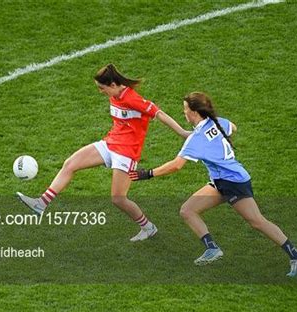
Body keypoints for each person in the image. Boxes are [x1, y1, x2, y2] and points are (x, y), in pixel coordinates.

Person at [129, 91, 297, 277]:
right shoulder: (218, 122)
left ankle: (296, 255)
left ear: (195, 112)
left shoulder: (197, 139)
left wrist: (147, 174)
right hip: (220, 181)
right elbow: (233, 127)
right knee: (188, 210)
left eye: (185, 110)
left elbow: (176, 166)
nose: (184, 113)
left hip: (233, 183)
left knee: (257, 221)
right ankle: (212, 249)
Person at [17, 64, 190, 241]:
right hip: (110, 143)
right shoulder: (115, 94)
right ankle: (41, 204)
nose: (101, 92)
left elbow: (159, 113)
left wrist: (182, 133)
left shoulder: (132, 98)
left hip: (126, 153)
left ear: (113, 85)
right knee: (70, 164)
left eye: (102, 88)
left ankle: (148, 227)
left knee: (118, 199)